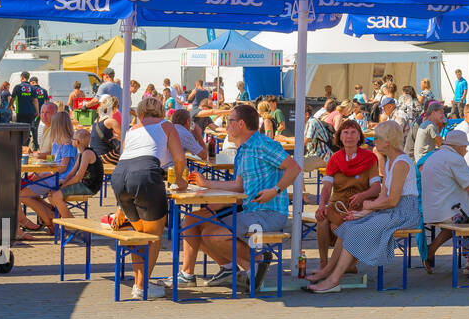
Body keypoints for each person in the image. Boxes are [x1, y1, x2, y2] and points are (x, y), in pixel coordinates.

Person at [181, 102, 301, 294]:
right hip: (251, 211)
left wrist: (275, 190)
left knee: (213, 234)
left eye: (230, 121)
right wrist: (206, 184)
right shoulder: (242, 150)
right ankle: (237, 269)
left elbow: (294, 168)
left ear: (241, 124)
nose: (226, 125)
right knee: (195, 225)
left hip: (269, 212)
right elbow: (239, 185)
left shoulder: (263, 144)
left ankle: (258, 261)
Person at [303, 121, 422, 292]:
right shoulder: (390, 161)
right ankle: (329, 270)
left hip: (404, 213)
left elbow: (393, 200)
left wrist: (369, 205)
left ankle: (333, 279)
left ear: (387, 141)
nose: (374, 141)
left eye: (377, 138)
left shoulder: (401, 163)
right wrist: (364, 213)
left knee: (354, 230)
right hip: (391, 210)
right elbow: (383, 196)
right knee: (350, 225)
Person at [111, 95, 188, 297]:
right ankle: (142, 287)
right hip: (146, 175)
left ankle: (139, 284)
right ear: (161, 112)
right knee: (153, 236)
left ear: (141, 113)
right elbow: (179, 158)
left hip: (119, 176)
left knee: (139, 234)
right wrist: (179, 179)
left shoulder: (132, 130)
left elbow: (125, 158)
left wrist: (119, 206)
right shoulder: (166, 126)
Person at [418, 128, 469, 278]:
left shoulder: (435, 156)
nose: (466, 149)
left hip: (433, 210)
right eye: (465, 146)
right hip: (450, 211)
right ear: (458, 146)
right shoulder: (454, 158)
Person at [313, 119, 380, 272]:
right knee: (322, 219)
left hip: (361, 207)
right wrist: (322, 205)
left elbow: (376, 188)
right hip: (338, 205)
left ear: (359, 137)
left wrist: (363, 195)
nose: (349, 136)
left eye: (353, 132)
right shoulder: (334, 159)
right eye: (345, 132)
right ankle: (324, 264)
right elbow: (327, 187)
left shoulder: (369, 158)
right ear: (340, 137)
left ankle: (342, 264)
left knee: (339, 225)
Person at [20, 112, 81, 237]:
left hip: (61, 179)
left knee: (24, 195)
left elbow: (63, 168)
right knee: (25, 193)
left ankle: (50, 220)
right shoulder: (58, 142)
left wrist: (45, 173)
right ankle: (50, 217)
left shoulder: (67, 144)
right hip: (54, 177)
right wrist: (41, 160)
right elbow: (54, 158)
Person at [60, 128, 105, 202]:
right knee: (53, 191)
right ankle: (55, 212)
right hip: (85, 184)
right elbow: (72, 172)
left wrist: (64, 185)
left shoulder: (87, 154)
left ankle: (58, 213)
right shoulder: (81, 153)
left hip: (90, 187)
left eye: (73, 139)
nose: (71, 140)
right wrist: (64, 182)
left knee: (56, 194)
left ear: (77, 142)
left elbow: (78, 177)